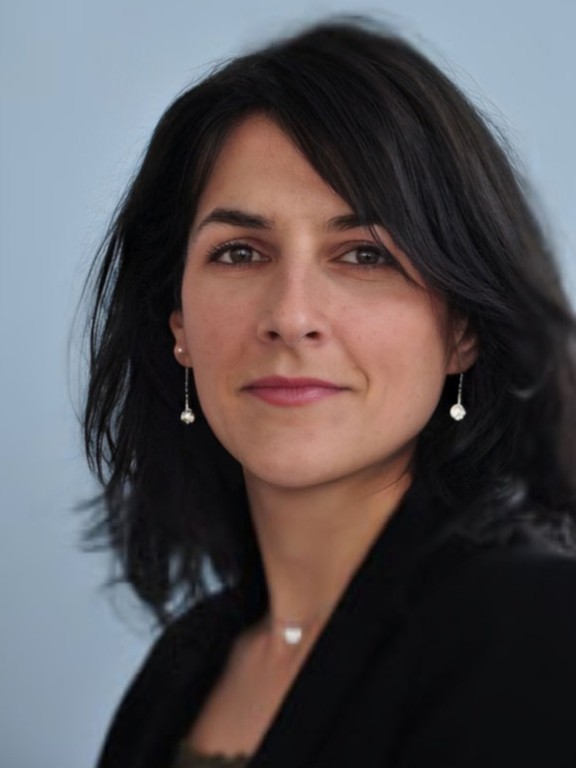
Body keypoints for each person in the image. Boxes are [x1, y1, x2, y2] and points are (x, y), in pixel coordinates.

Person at [82, 16, 576, 768]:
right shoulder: (180, 671)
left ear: (462, 329)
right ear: (176, 322)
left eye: (364, 255)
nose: (291, 317)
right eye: (240, 252)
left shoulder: (536, 628)